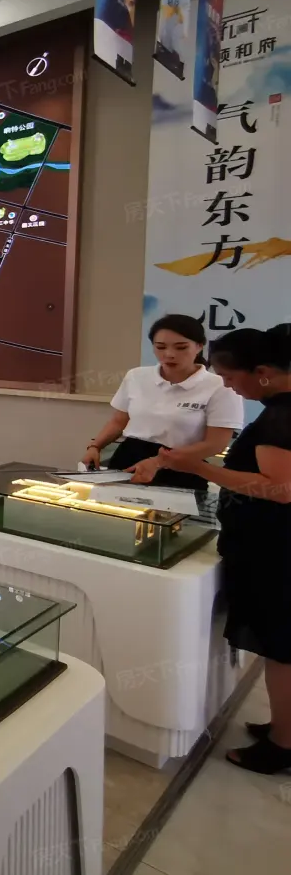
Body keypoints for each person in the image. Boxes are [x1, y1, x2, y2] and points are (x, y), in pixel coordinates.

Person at [156, 325, 291, 774]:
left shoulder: (280, 417)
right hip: (271, 544)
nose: (229, 387)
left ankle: (283, 745)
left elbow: (279, 489)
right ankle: (283, 727)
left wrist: (201, 468)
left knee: (281, 649)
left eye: (231, 377)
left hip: (275, 548)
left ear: (263, 371)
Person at [81, 315, 242, 488]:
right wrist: (95, 446)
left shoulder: (219, 385)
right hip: (128, 459)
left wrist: (159, 461)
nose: (169, 354)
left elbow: (215, 444)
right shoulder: (137, 376)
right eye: (160, 347)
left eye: (181, 347)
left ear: (199, 346)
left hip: (182, 465)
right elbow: (119, 421)